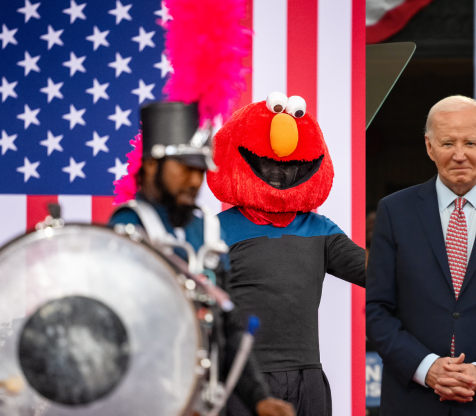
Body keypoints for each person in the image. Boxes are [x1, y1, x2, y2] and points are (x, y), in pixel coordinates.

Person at [108, 101, 294, 416]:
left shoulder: (206, 229)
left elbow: (227, 326)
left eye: (200, 170)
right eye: (185, 168)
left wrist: (258, 397)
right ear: (152, 165)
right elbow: (114, 330)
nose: (195, 181)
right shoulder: (128, 226)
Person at [366, 95, 476, 415]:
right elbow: (378, 310)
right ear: (429, 147)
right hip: (412, 402)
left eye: (470, 142)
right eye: (448, 143)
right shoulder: (394, 212)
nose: (460, 155)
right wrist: (427, 368)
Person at [206, 93, 366, 416]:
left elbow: (376, 271)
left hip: (306, 378)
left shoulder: (320, 229)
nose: (278, 170)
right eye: (268, 163)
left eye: (288, 164)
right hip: (242, 379)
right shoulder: (216, 231)